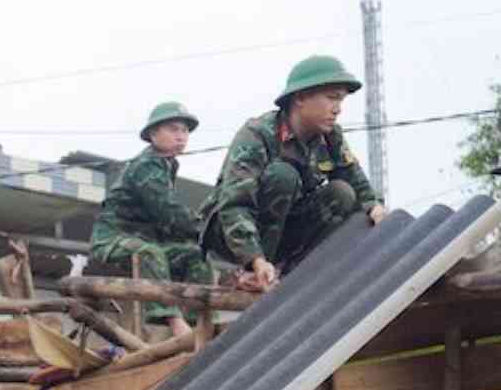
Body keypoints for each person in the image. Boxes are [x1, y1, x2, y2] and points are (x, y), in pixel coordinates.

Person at [198, 55, 385, 289]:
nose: (337, 109)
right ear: (301, 98)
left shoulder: (329, 137)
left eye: (341, 101)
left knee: (342, 193)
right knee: (283, 175)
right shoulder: (258, 134)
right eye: (331, 98)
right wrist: (255, 260)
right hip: (231, 240)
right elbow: (235, 204)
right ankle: (246, 273)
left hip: (282, 233)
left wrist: (375, 206)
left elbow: (355, 181)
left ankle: (296, 274)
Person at [88, 100, 208, 337]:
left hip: (148, 240)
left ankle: (199, 322)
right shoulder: (147, 165)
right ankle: (175, 322)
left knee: (197, 256)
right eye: (173, 129)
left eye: (184, 130)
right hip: (113, 239)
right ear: (153, 134)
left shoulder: (167, 164)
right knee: (149, 253)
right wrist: (207, 229)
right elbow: (168, 213)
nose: (181, 136)